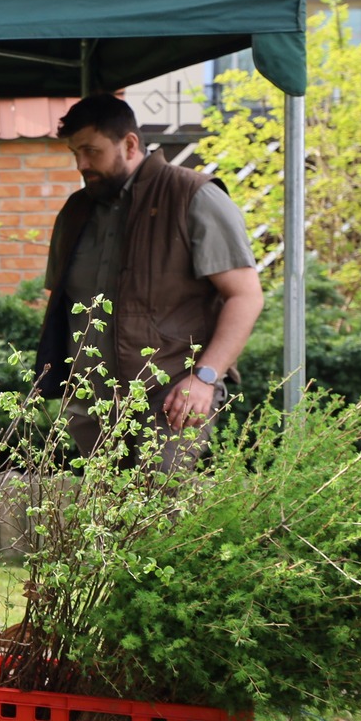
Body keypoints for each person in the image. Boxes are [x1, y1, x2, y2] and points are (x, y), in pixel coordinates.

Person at [36, 94, 264, 467]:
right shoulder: (76, 212)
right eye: (74, 152)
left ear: (129, 144)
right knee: (103, 522)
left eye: (91, 151)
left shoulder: (194, 196)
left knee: (159, 514)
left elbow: (246, 296)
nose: (81, 164)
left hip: (173, 398)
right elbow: (61, 304)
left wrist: (205, 378)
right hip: (92, 405)